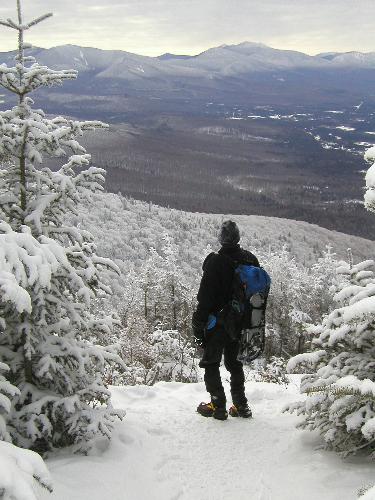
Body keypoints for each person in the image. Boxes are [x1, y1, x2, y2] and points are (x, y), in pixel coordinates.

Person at [192, 220, 259, 420]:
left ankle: (217, 405)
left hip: (218, 324)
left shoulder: (215, 262)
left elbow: (205, 299)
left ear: (221, 239)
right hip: (242, 323)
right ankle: (241, 406)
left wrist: (198, 324)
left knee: (211, 363)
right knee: (234, 363)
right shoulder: (251, 260)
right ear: (238, 238)